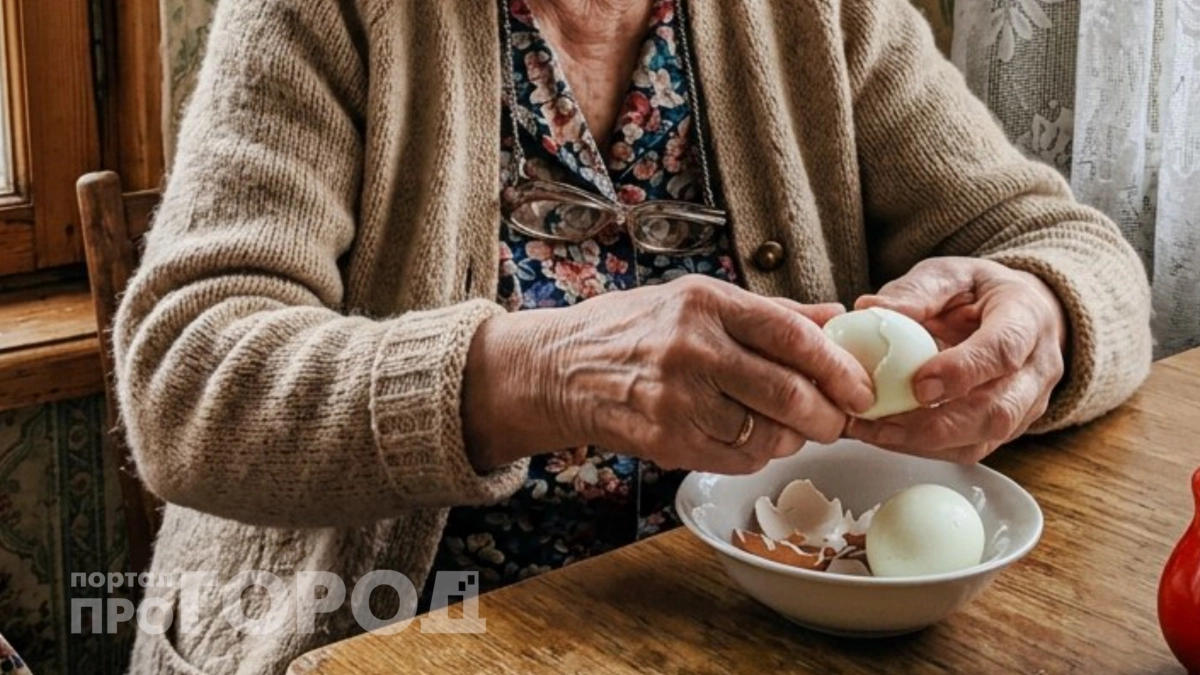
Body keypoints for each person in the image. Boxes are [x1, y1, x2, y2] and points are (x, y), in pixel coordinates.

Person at [113, 0, 1152, 672]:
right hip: (394, 633)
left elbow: (1063, 245)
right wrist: (543, 372)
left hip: (745, 630)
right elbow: (184, 377)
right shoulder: (318, 14)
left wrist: (1043, 314)